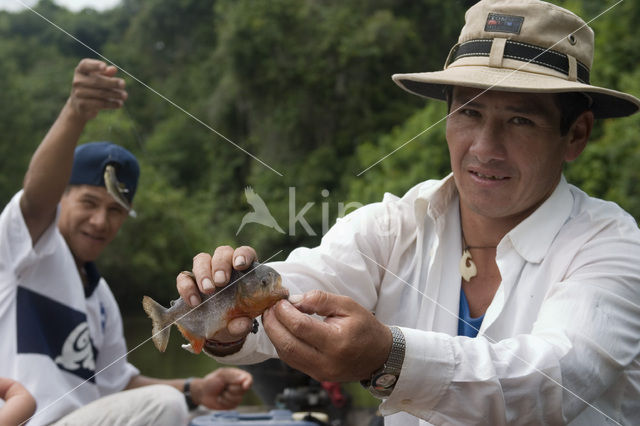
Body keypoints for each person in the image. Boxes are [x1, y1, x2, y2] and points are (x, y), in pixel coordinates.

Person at [178, 0, 640, 425]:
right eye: (469, 114)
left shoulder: (612, 246)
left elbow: (555, 380)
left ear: (576, 135)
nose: (484, 148)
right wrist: (224, 318)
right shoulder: (393, 225)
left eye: (520, 120)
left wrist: (389, 359)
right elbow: (301, 281)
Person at [0, 58, 253, 426]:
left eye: (115, 211)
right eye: (88, 203)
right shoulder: (23, 252)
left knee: (169, 402)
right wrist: (75, 113)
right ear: (61, 198)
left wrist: (194, 389)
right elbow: (37, 200)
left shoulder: (101, 299)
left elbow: (118, 386)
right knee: (164, 406)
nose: (100, 221)